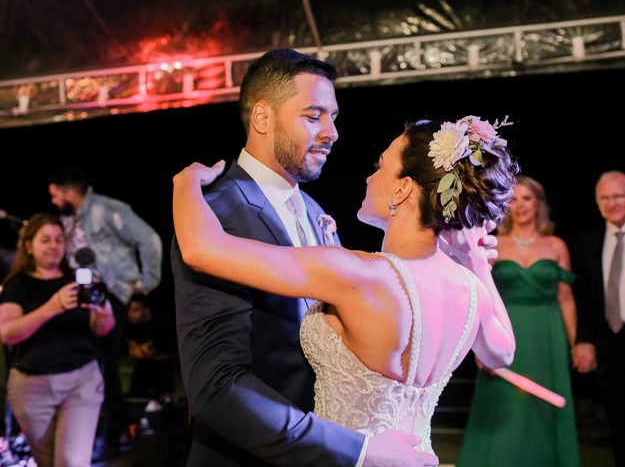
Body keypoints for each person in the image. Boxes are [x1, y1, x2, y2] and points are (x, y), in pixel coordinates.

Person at [173, 114, 519, 463]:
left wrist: (186, 183)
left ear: (403, 187)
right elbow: (501, 354)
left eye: (380, 166)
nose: (370, 177)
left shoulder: (358, 274)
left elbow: (202, 250)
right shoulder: (471, 289)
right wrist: (473, 259)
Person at [172, 48, 437, 467]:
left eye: (334, 118)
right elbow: (216, 388)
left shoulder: (316, 213)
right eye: (314, 117)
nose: (332, 133)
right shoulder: (216, 212)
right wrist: (355, 450)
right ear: (262, 118)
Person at [457, 176, 580, 467]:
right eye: (513, 199)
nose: (520, 205)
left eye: (527, 198)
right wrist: (481, 345)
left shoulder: (557, 245)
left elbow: (566, 299)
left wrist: (576, 344)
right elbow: (480, 295)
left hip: (546, 334)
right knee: (504, 406)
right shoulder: (494, 242)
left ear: (539, 203)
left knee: (545, 410)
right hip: (504, 330)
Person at [47, 167, 163, 459]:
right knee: (88, 363)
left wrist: (147, 282)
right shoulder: (69, 219)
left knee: (102, 364)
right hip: (80, 296)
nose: (52, 200)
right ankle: (97, 432)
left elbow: (149, 239)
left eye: (54, 194)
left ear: (67, 190)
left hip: (109, 294)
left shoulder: (106, 208)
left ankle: (114, 434)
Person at [0, 213, 115, 467]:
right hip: (32, 388)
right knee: (48, 461)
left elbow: (104, 328)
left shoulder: (76, 280)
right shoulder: (16, 286)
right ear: (29, 245)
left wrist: (102, 308)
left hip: (81, 382)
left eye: (58, 239)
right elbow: (7, 333)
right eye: (45, 240)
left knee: (72, 462)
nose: (54, 245)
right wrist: (52, 307)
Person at [572, 170, 625, 467]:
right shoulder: (587, 241)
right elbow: (583, 297)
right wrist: (584, 340)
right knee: (618, 420)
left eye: (618, 196)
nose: (611, 203)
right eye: (604, 197)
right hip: (609, 344)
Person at [123, 294, 175, 398]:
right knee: (135, 396)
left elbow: (162, 351)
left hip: (162, 366)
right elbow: (131, 347)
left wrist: (141, 350)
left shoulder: (161, 325)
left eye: (135, 310)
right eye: (130, 310)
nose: (130, 314)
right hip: (143, 365)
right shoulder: (130, 324)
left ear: (146, 310)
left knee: (163, 399)